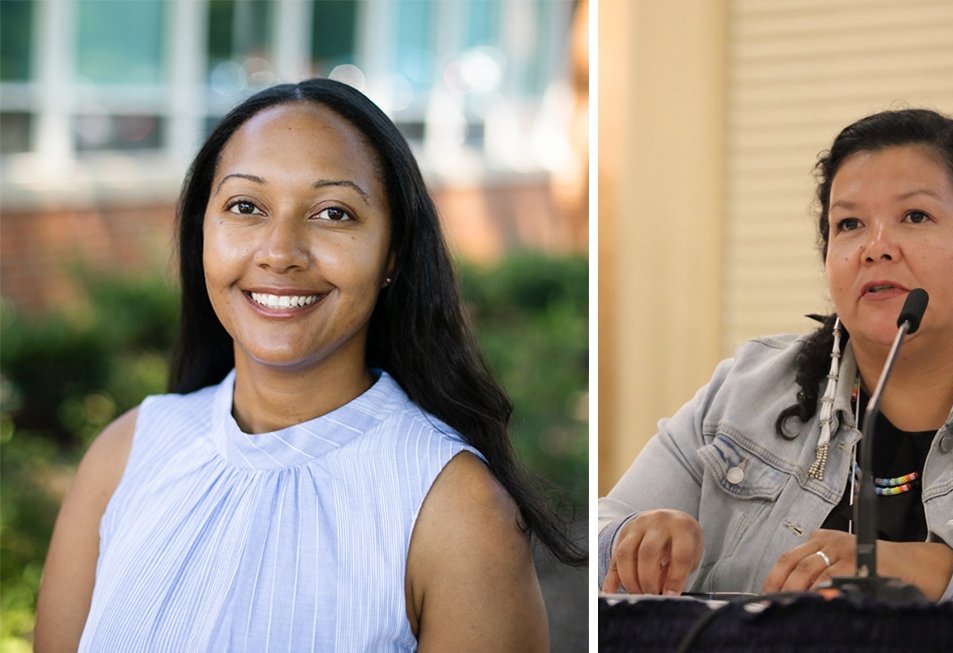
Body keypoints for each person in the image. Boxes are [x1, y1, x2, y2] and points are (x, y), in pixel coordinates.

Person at [36, 79, 583, 651]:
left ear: (393, 252)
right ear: (203, 230)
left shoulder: (457, 512)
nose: (279, 252)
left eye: (332, 213)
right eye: (245, 206)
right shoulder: (125, 454)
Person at [598, 108, 953, 612]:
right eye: (849, 224)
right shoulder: (744, 389)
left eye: (915, 217)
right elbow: (600, 532)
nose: (876, 246)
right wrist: (634, 541)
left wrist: (935, 569)